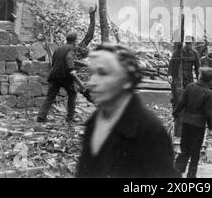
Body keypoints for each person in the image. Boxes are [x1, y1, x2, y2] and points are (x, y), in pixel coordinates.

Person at [76, 44, 177, 178]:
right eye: (92, 73)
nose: (92, 82)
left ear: (127, 80)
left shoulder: (149, 129)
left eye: (103, 73)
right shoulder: (94, 121)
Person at [173, 67, 212, 178]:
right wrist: (211, 127)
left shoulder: (190, 87)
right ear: (209, 80)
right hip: (198, 126)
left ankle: (177, 171)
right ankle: (191, 176)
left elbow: (181, 102)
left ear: (200, 76)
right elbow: (209, 113)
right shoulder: (208, 93)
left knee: (184, 149)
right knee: (195, 152)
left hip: (186, 122)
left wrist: (175, 113)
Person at [37, 32, 79, 124]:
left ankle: (41, 117)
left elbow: (53, 62)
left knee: (50, 97)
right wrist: (72, 69)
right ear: (75, 41)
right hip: (65, 76)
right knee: (72, 94)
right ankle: (70, 118)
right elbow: (69, 58)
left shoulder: (58, 48)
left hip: (54, 75)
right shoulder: (72, 48)